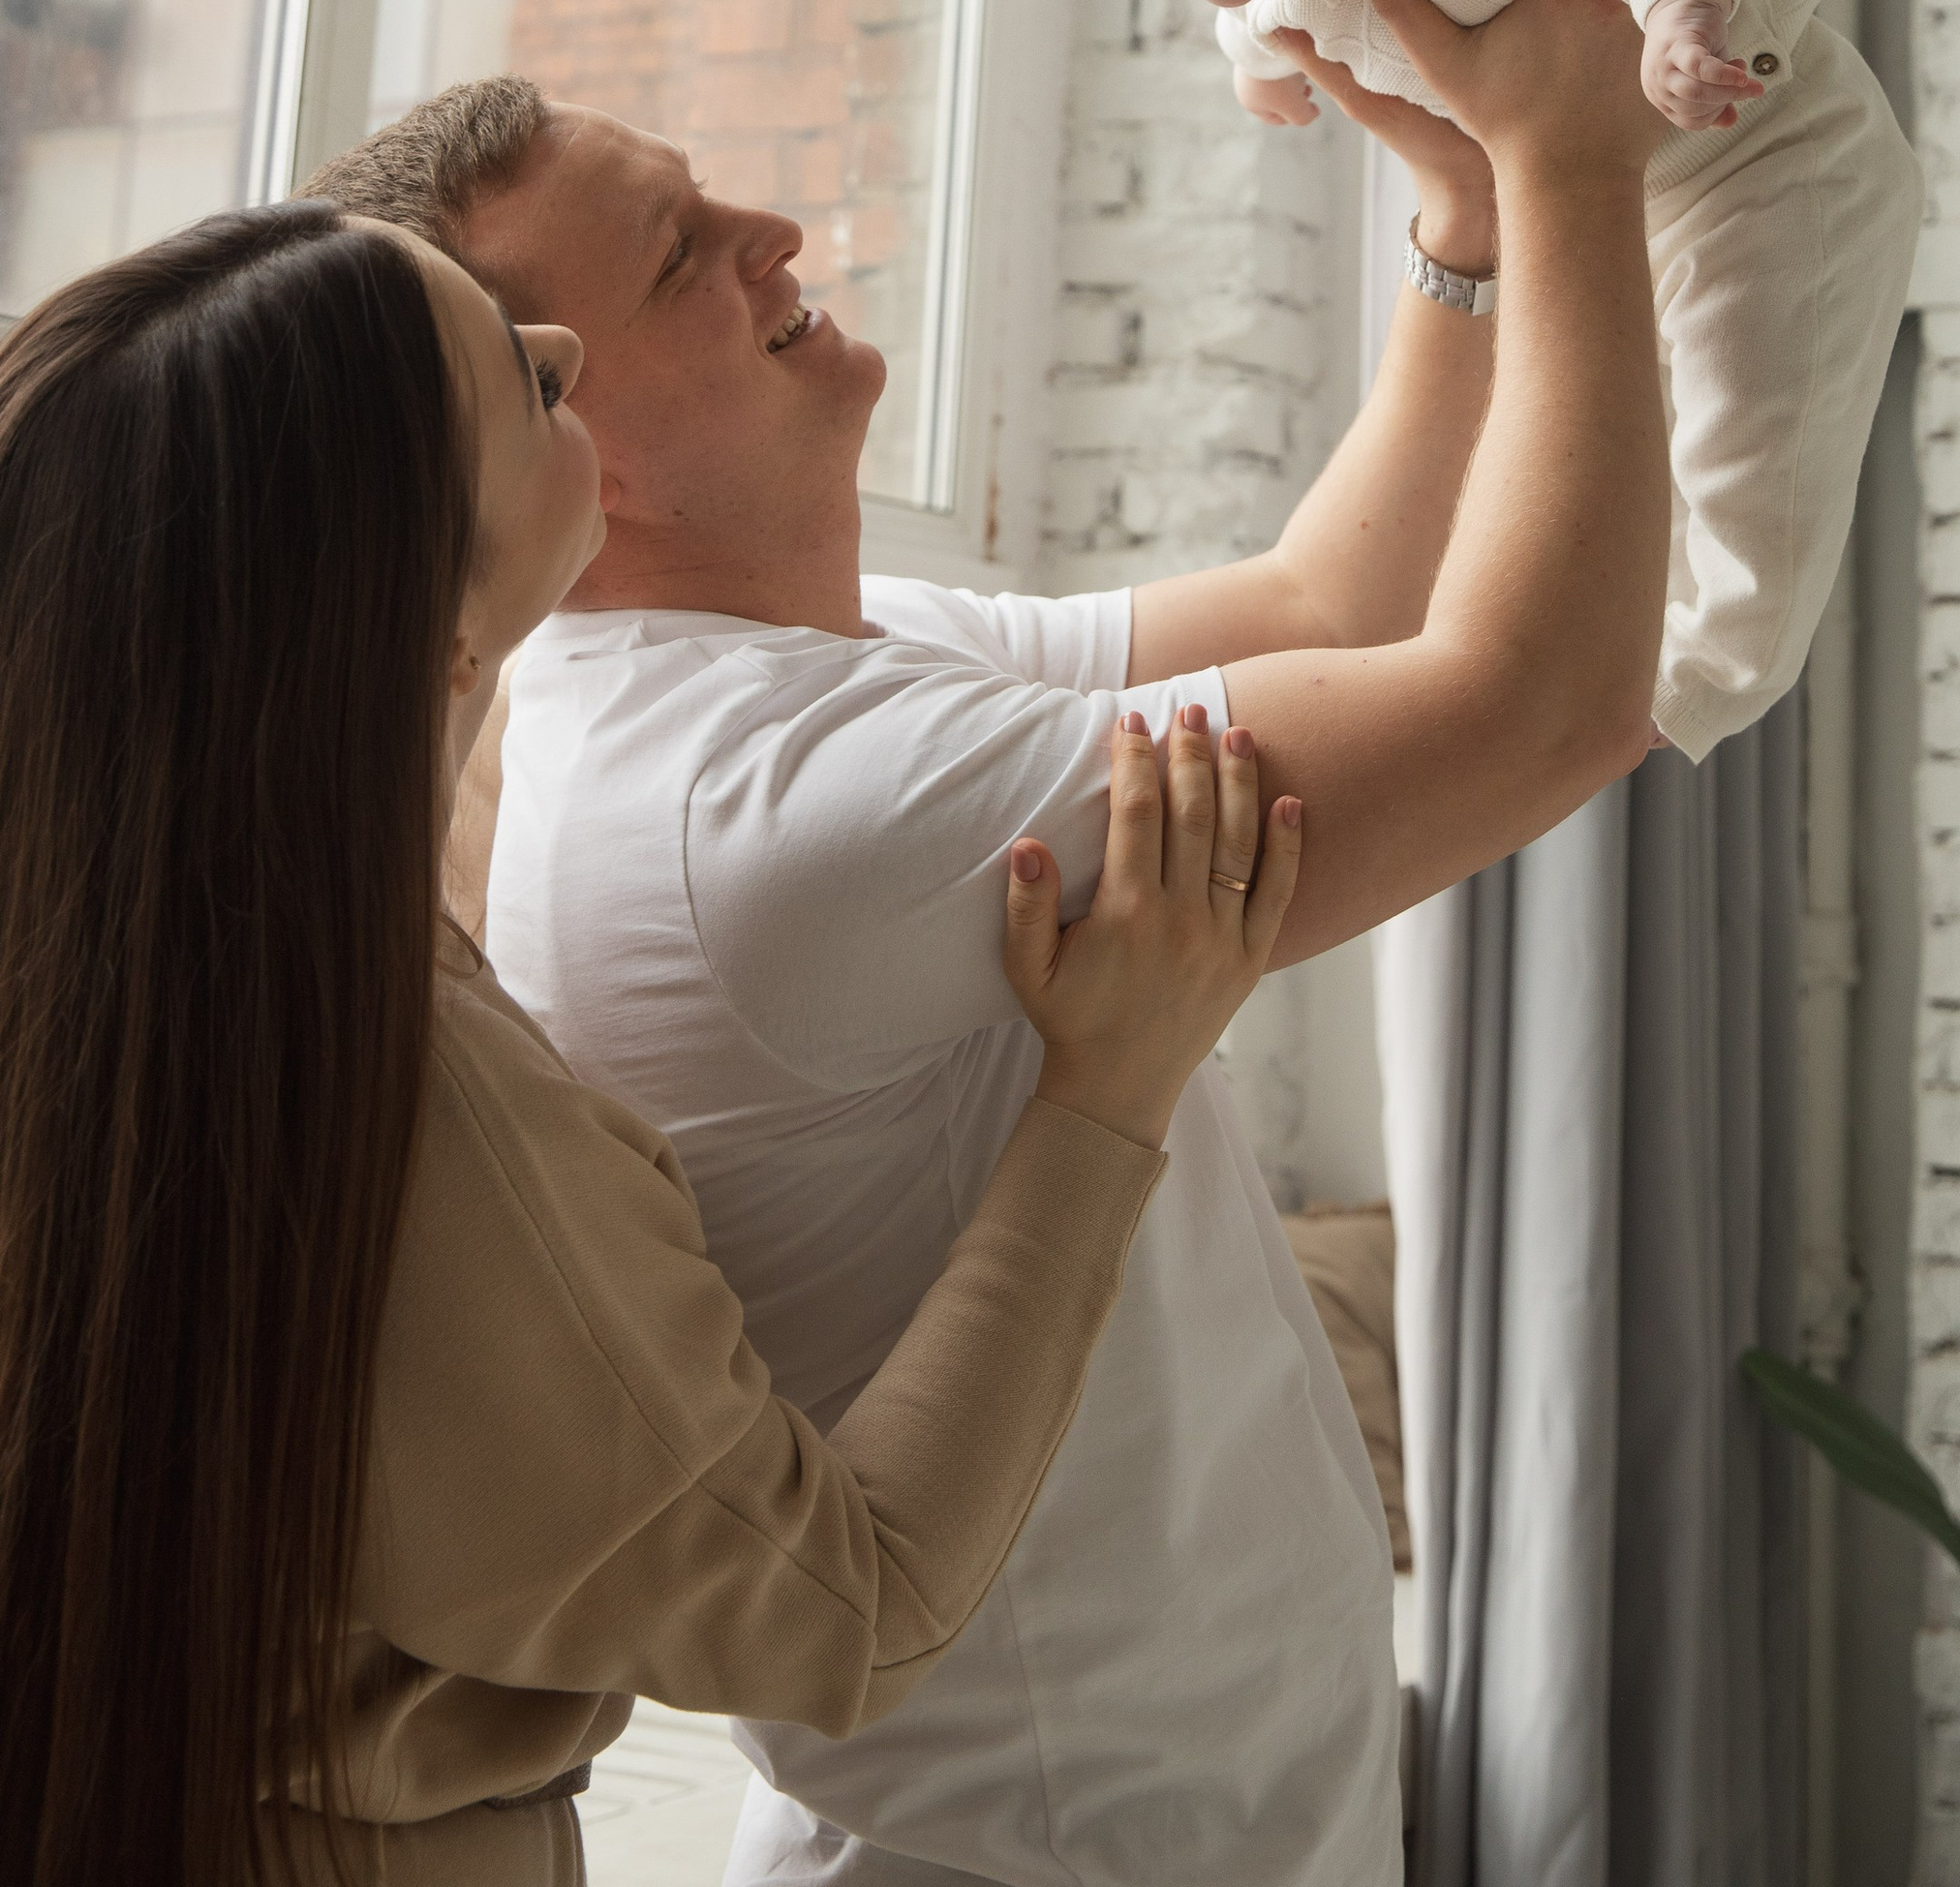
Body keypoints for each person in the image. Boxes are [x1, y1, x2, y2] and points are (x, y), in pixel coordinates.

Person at [307, 0, 1669, 1887]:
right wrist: (1577, 166)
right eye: (683, 245)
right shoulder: (764, 815)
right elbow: (1538, 703)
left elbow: (1316, 612)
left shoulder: (825, 677)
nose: (773, 230)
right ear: (560, 434)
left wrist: (1460, 223)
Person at [0, 201, 1299, 1887]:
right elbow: (856, 1604)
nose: (570, 361)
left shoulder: (124, 967)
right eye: (532, 389)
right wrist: (1107, 1095)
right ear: (428, 619)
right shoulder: (413, 1124)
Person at [1034, 0, 1923, 760]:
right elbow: (1252, 5)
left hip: (1771, 156)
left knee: (1747, 455)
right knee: (1611, 461)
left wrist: (1677, 6)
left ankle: (1681, 696)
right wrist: (1253, 73)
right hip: (1622, 193)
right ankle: (1589, 673)